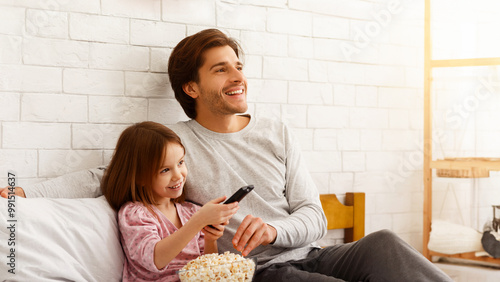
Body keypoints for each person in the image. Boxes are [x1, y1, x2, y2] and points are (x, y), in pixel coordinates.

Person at [1, 29, 452, 281]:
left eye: (238, 65)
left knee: (387, 244)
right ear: (191, 88)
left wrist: (274, 228)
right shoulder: (176, 146)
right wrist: (18, 190)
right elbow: (104, 174)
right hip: (257, 273)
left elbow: (314, 216)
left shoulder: (277, 131)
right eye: (222, 69)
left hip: (312, 251)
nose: (238, 76)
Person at [102, 121, 239, 281]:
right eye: (165, 170)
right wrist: (198, 222)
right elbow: (154, 259)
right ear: (140, 177)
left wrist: (210, 239)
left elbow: (208, 267)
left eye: (180, 163)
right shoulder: (136, 213)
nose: (178, 175)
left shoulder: (191, 211)